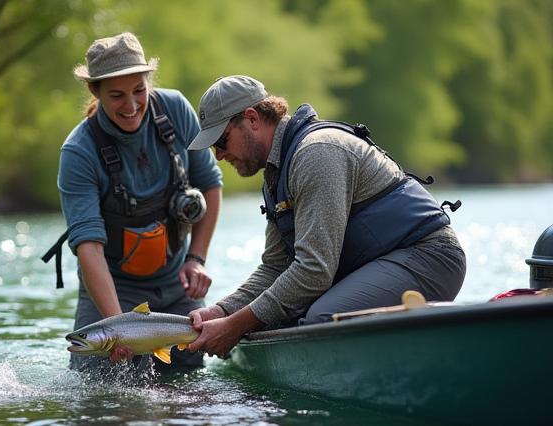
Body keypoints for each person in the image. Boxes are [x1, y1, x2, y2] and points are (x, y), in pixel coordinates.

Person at [186, 75, 466, 358]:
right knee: (273, 318)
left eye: (221, 140)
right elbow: (274, 268)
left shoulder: (316, 154)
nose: (219, 155)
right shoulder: (276, 175)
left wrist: (234, 326)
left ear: (252, 119)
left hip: (428, 257)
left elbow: (314, 272)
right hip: (383, 263)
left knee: (321, 320)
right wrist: (222, 311)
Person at [52, 33, 222, 371]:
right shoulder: (78, 152)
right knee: (101, 398)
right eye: (116, 95)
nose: (130, 106)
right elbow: (89, 248)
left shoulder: (175, 110)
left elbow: (210, 185)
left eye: (139, 91)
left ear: (148, 84)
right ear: (95, 92)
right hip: (112, 291)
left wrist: (197, 258)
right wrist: (117, 327)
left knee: (188, 389)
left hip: (177, 285)